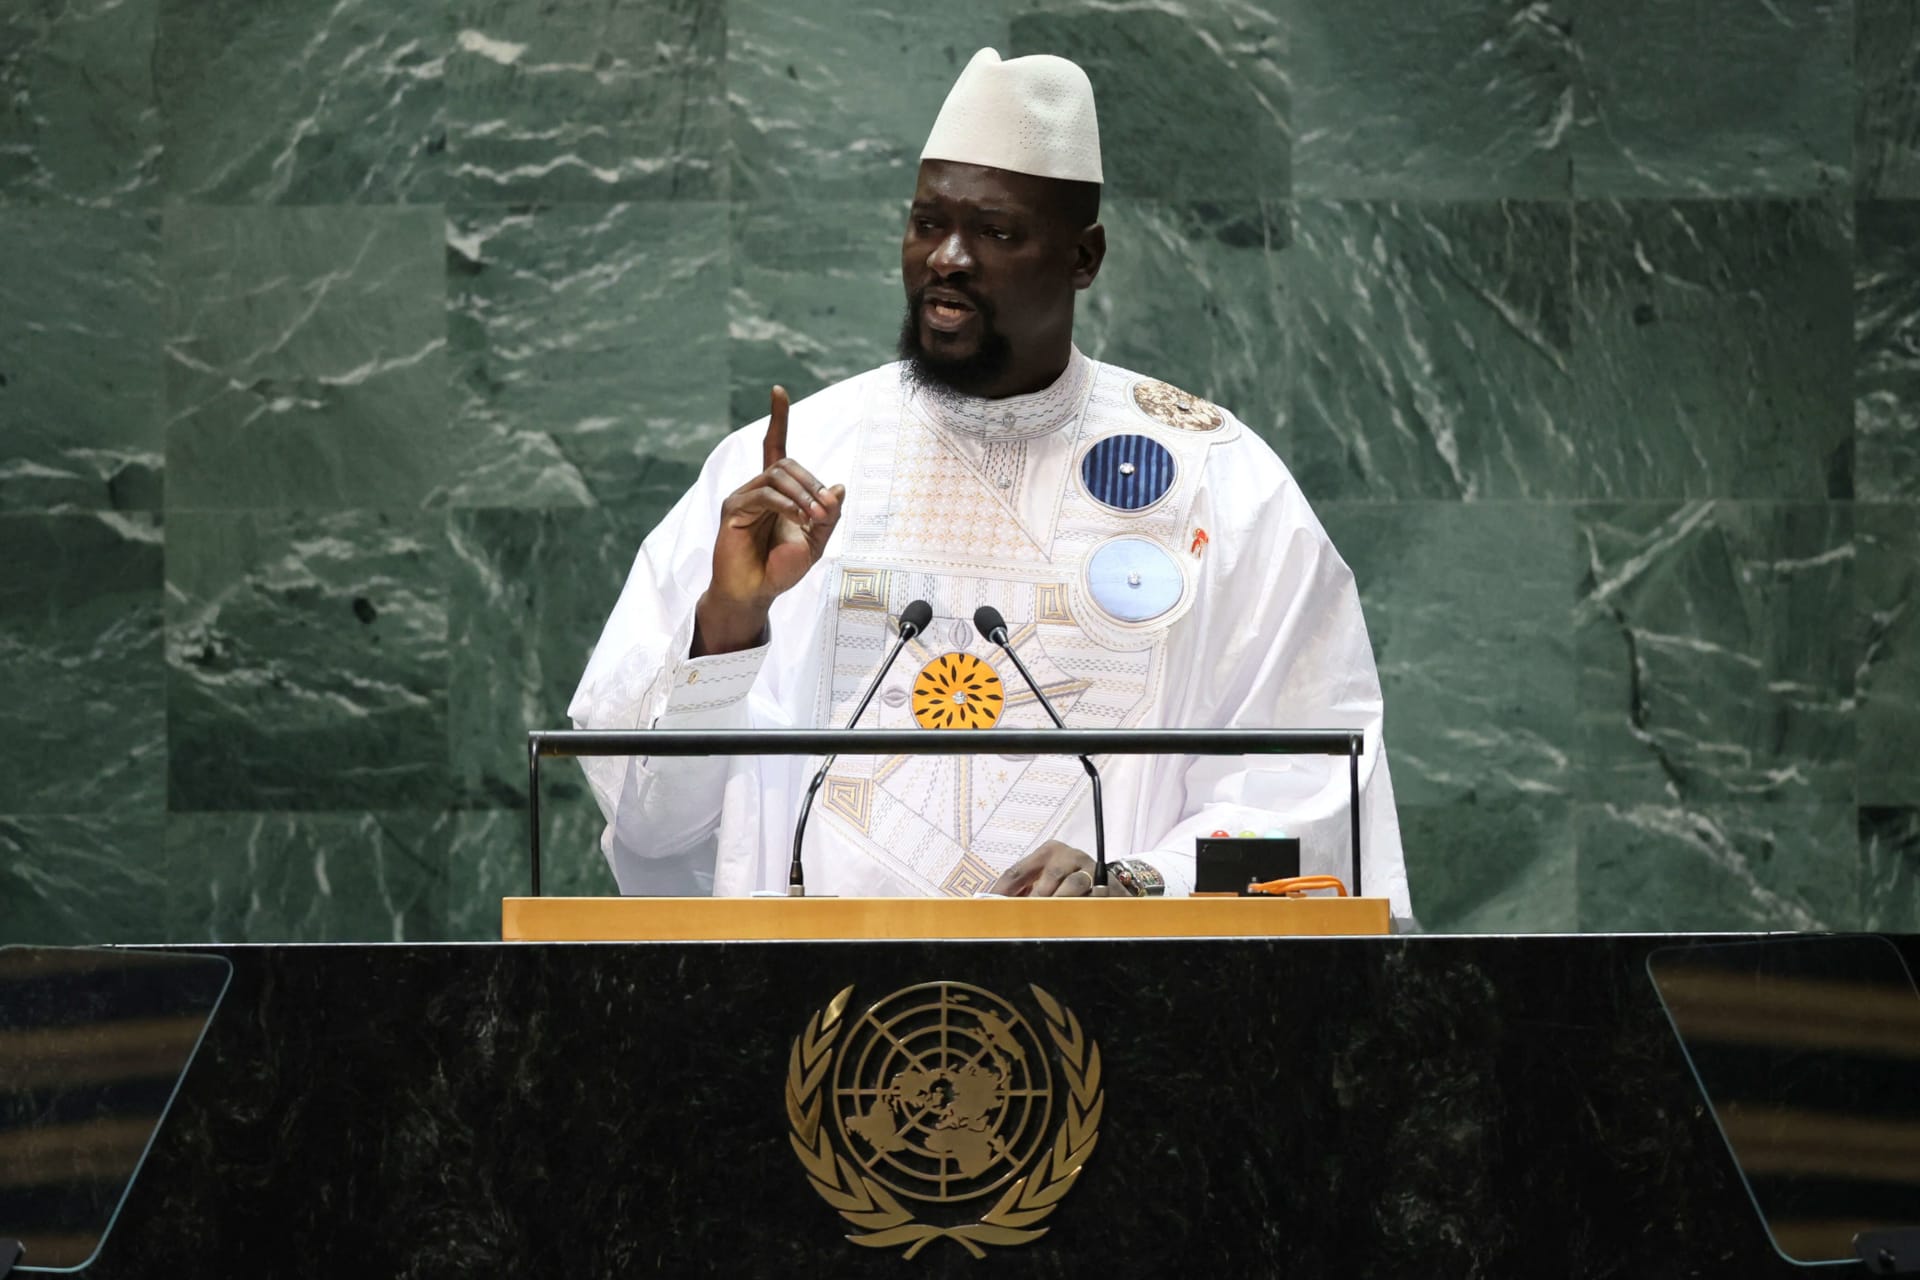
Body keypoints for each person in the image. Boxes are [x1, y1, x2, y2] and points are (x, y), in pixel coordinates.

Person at [570, 48, 1410, 914]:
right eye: (928, 223)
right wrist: (730, 628)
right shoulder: (785, 472)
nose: (949, 258)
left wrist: (1136, 880)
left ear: (1084, 258)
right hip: (817, 1024)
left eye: (998, 233)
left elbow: (1313, 794)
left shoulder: (1216, 483)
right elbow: (650, 827)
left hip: (1127, 1016)